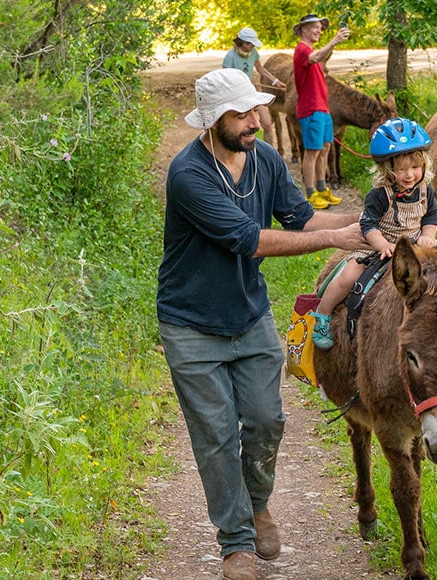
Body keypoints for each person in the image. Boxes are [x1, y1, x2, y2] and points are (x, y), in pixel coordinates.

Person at [156, 68, 370, 580]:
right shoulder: (189, 174)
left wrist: (360, 227)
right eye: (243, 113)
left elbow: (298, 217)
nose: (257, 121)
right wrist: (335, 242)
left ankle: (256, 504)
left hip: (248, 315)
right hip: (191, 324)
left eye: (256, 110)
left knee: (267, 420)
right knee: (215, 433)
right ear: (212, 121)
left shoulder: (265, 158)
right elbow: (251, 240)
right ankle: (236, 545)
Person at [310, 117, 437, 349]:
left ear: (424, 166)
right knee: (349, 275)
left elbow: (431, 217)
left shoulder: (426, 190)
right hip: (380, 244)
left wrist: (428, 236)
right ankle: (323, 315)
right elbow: (369, 225)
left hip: (416, 242)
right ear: (388, 169)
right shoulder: (379, 195)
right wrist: (382, 244)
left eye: (415, 167)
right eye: (402, 169)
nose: (410, 175)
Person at [292, 13, 349, 210]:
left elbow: (321, 56)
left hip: (323, 109)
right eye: (315, 26)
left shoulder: (314, 52)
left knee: (325, 148)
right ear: (303, 29)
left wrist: (334, 44)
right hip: (311, 109)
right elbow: (315, 57)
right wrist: (335, 40)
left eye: (320, 27)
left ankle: (322, 189)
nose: (319, 30)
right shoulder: (302, 50)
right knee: (312, 151)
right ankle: (310, 194)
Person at [222, 27, 286, 148]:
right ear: (242, 43)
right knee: (242, 126)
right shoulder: (230, 56)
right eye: (250, 44)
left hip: (251, 92)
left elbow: (261, 69)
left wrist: (276, 81)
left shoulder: (253, 53)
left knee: (267, 124)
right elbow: (226, 78)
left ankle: (269, 153)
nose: (252, 47)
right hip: (236, 95)